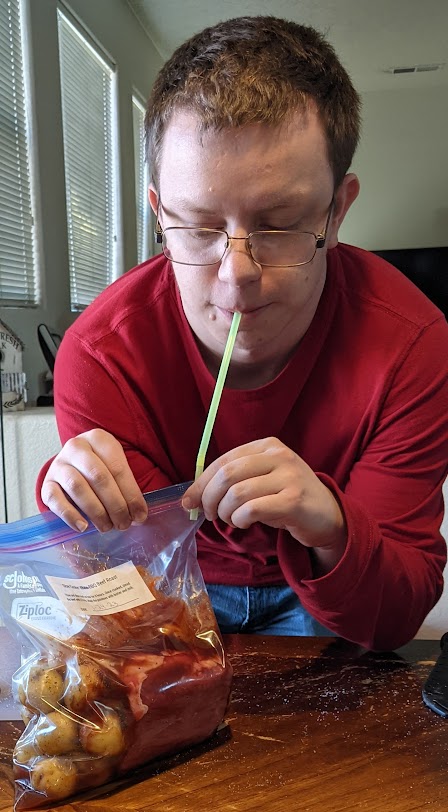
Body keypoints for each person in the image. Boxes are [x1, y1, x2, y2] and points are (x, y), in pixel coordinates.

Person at [37, 16, 448, 651]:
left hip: (327, 589)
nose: (236, 276)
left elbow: (394, 618)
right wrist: (78, 512)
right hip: (183, 581)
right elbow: (127, 581)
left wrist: (333, 528)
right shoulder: (101, 354)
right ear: (159, 213)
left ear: (337, 210)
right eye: (198, 227)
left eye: (279, 224)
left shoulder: (413, 344)